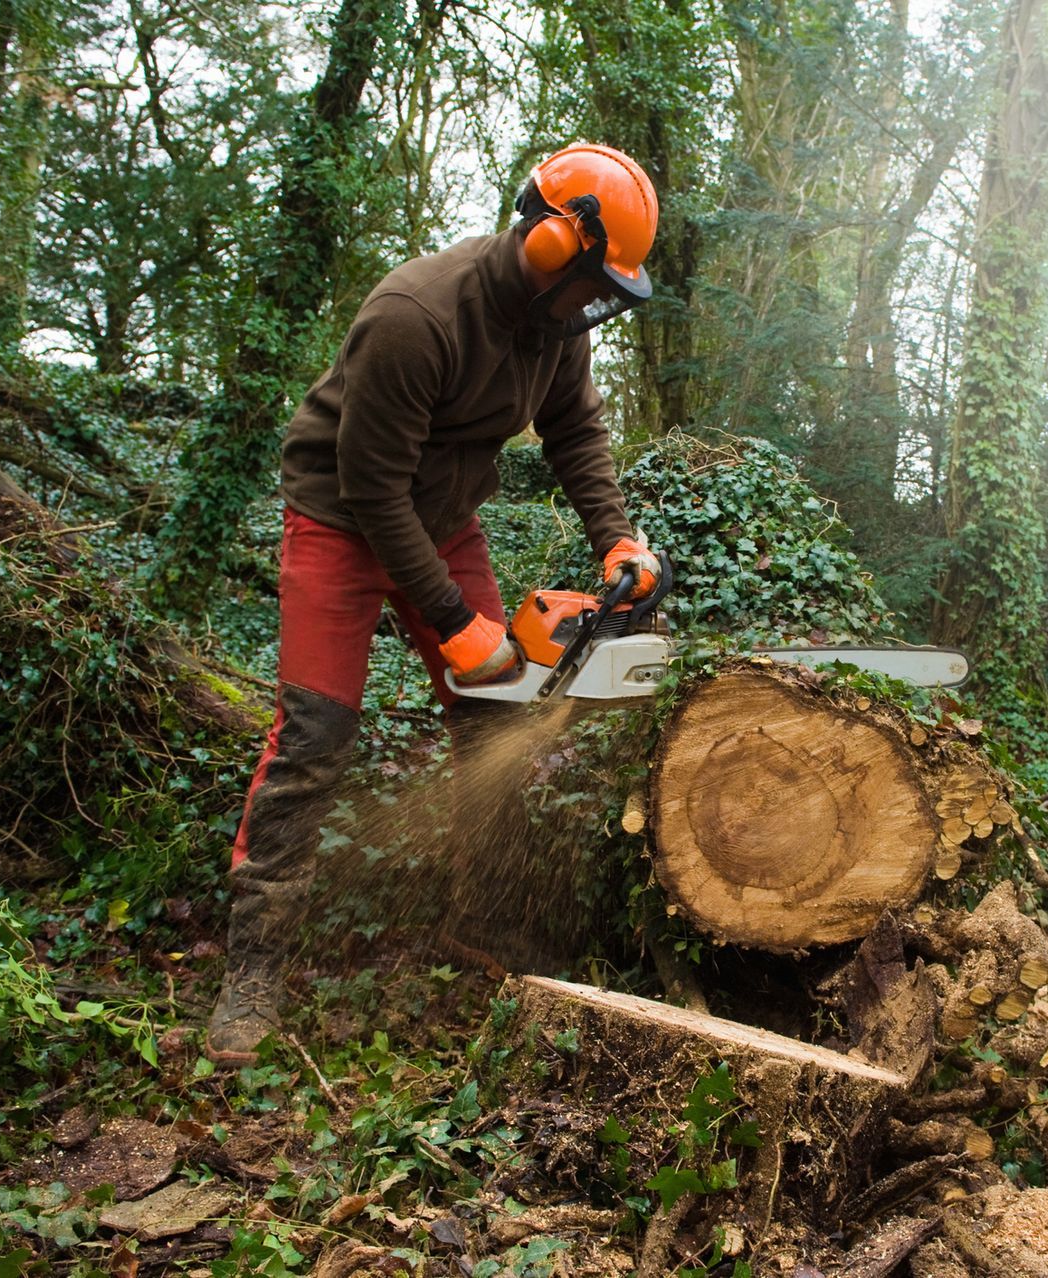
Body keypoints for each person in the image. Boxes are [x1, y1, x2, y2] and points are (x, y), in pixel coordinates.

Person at [205, 142, 664, 1065]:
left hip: (444, 516)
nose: (591, 305)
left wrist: (616, 536)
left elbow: (574, 429)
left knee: (494, 720)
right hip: (345, 517)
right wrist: (455, 624)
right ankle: (253, 967)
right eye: (586, 281)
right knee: (313, 735)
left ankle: (484, 921)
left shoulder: (556, 324)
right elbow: (371, 489)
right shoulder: (416, 315)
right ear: (545, 243)